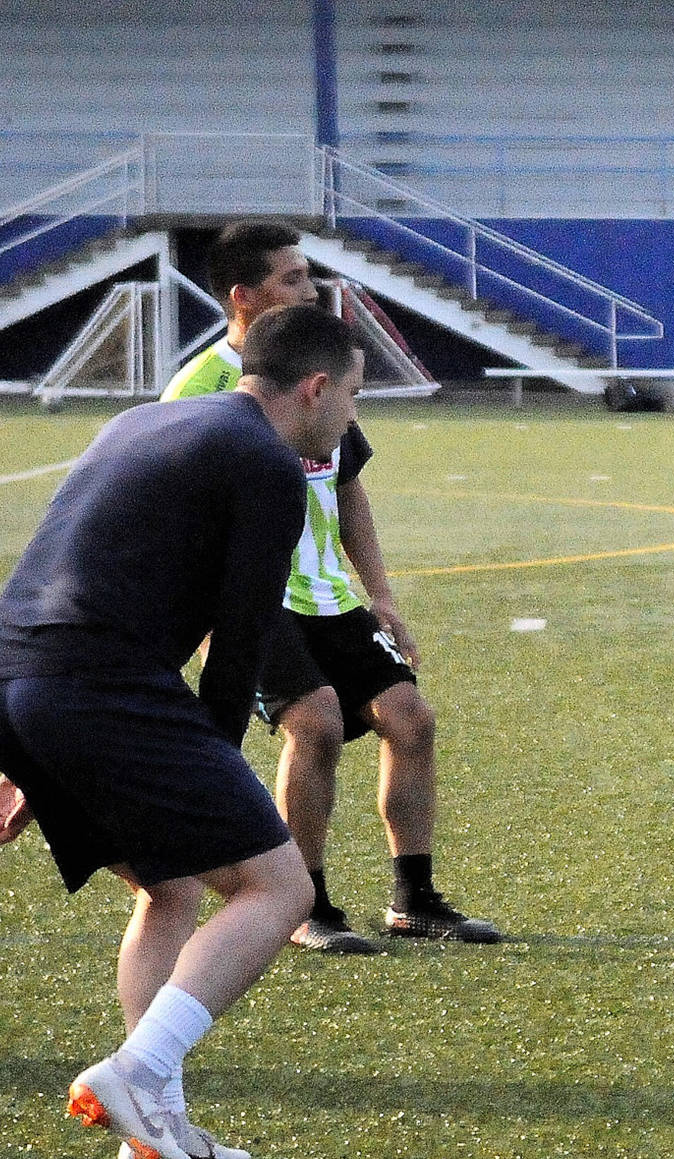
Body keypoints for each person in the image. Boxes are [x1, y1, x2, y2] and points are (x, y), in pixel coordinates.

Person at [0, 304, 367, 1159]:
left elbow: (72, 575)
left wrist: (38, 755)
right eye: (350, 397)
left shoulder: (141, 417)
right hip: (92, 691)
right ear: (314, 387)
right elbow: (240, 646)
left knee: (171, 886)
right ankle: (138, 1071)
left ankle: (155, 1123)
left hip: (7, 683)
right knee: (282, 884)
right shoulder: (269, 467)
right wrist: (217, 779)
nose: (349, 419)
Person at [162, 220, 499, 953]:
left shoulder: (314, 367)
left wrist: (380, 593)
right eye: (291, 279)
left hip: (329, 595)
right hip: (255, 597)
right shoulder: (200, 388)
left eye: (307, 276)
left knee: (410, 717)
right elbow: (179, 511)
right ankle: (304, 904)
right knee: (313, 722)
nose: (309, 289)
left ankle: (413, 898)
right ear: (242, 296)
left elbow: (348, 490)